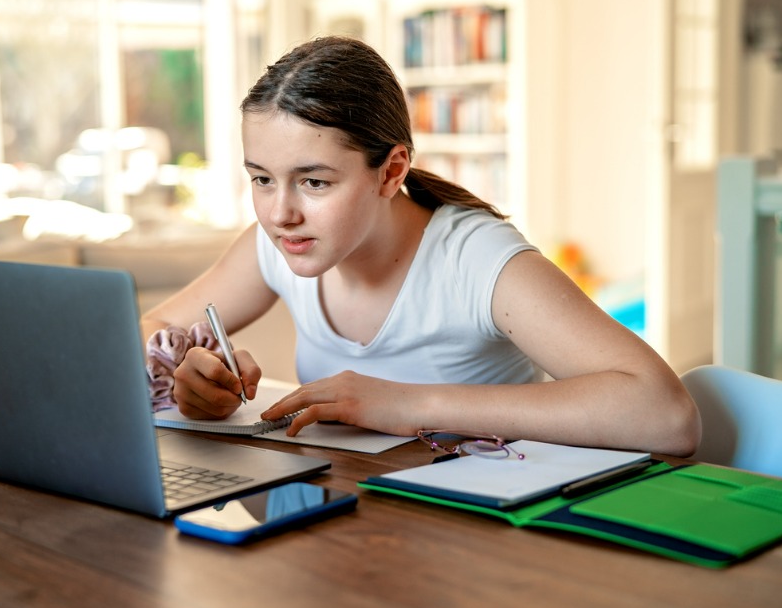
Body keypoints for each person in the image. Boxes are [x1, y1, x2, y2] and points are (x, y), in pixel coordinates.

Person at [141, 35, 700, 457]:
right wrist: (189, 372)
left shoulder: (477, 260)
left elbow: (666, 415)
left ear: (391, 172)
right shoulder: (277, 244)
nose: (279, 212)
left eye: (314, 181)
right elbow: (144, 331)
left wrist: (412, 404)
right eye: (262, 178)